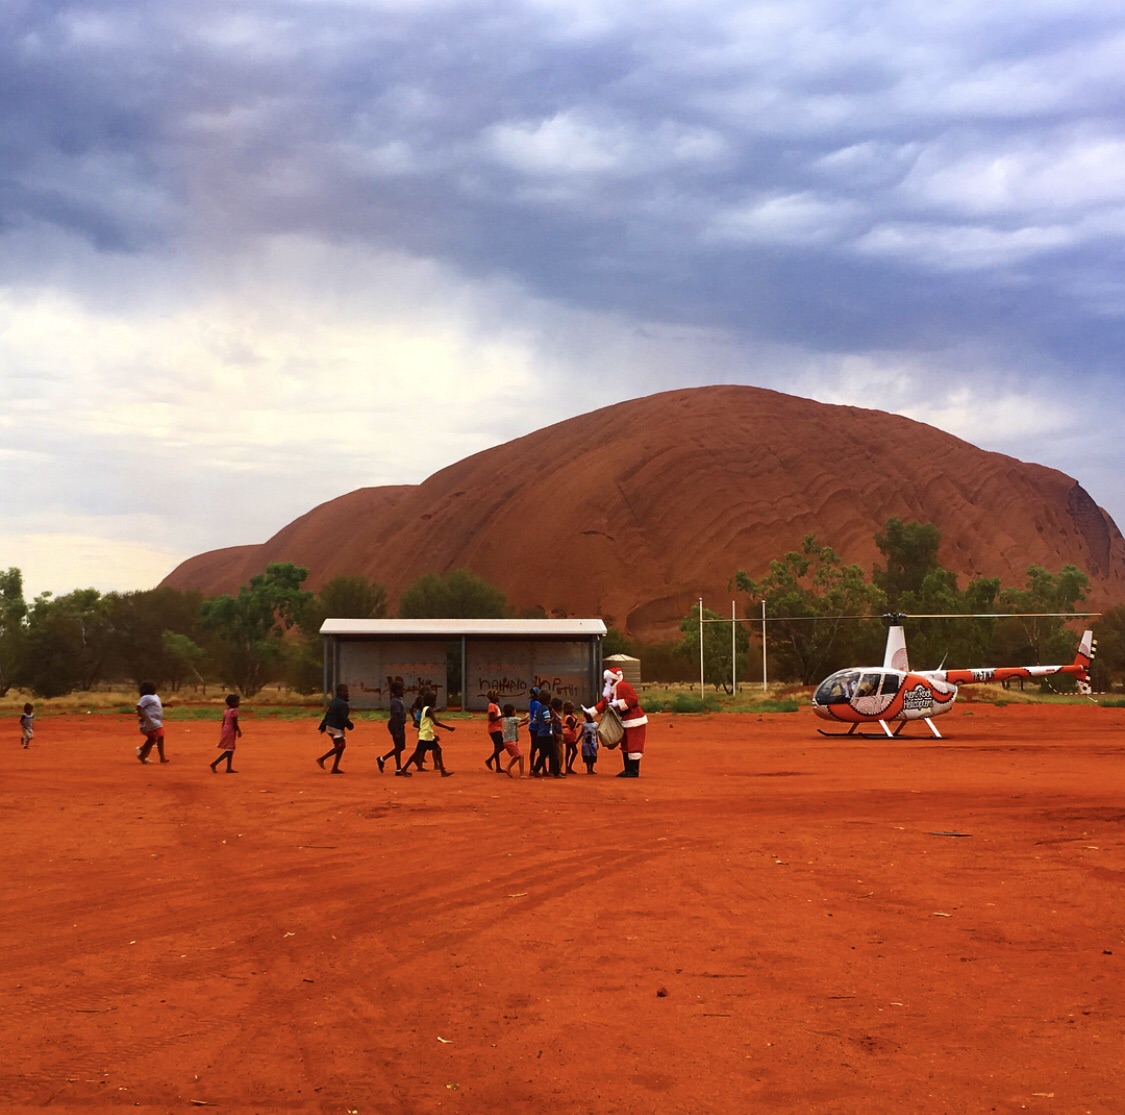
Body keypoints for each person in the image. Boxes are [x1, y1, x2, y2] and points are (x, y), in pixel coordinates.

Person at [586, 666, 648, 778]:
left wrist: (618, 704)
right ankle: (628, 769)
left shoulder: (624, 686)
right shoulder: (611, 689)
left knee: (633, 744)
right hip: (622, 720)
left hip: (634, 719)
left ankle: (633, 770)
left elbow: (633, 699)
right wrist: (592, 712)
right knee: (625, 744)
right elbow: (604, 703)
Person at [400, 689, 455, 776]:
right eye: (434, 700)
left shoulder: (425, 709)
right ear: (430, 701)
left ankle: (442, 771)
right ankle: (442, 771)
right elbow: (436, 722)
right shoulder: (428, 709)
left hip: (426, 735)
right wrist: (448, 728)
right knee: (429, 751)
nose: (435, 702)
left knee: (432, 751)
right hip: (426, 736)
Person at [317, 683, 354, 774]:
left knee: (340, 746)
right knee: (341, 746)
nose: (347, 693)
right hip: (335, 727)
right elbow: (343, 718)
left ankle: (335, 768)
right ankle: (322, 759)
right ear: (340, 692)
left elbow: (328, 714)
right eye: (346, 691)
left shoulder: (335, 701)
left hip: (330, 726)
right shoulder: (342, 704)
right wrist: (350, 725)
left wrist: (323, 725)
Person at [377, 680, 411, 776]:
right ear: (396, 690)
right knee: (400, 747)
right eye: (401, 689)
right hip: (396, 725)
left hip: (398, 725)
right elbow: (395, 716)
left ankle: (396, 767)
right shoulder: (396, 702)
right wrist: (396, 730)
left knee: (399, 747)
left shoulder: (397, 700)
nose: (403, 691)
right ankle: (385, 760)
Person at [136, 681, 168, 764]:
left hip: (156, 721)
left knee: (155, 738)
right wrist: (143, 716)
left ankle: (143, 754)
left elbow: (156, 704)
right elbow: (139, 707)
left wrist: (165, 705)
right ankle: (160, 757)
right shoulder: (146, 697)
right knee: (157, 736)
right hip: (148, 721)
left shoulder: (155, 696)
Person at [210, 694, 242, 773]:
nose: (238, 703)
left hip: (226, 729)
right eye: (237, 702)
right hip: (231, 730)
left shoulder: (226, 710)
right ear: (232, 703)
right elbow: (235, 723)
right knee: (230, 750)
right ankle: (215, 763)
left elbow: (224, 722)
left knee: (230, 749)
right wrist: (239, 731)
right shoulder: (234, 711)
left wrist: (223, 730)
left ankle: (228, 768)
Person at [530, 688, 554, 777]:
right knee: (547, 751)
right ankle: (542, 770)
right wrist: (553, 719)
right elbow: (547, 720)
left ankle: (534, 769)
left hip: (537, 730)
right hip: (543, 732)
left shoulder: (533, 703)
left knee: (539, 750)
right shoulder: (542, 706)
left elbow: (535, 720)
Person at [500, 703, 527, 778]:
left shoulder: (505, 720)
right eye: (515, 710)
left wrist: (524, 724)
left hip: (507, 742)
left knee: (517, 756)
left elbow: (515, 726)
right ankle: (521, 774)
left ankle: (508, 768)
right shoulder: (513, 719)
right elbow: (523, 718)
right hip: (511, 742)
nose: (516, 712)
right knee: (521, 756)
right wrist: (528, 714)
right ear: (512, 712)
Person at [484, 689, 506, 772]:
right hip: (494, 729)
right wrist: (503, 716)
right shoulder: (491, 706)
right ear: (493, 697)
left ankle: (498, 767)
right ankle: (489, 760)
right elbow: (492, 718)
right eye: (497, 696)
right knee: (502, 746)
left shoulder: (494, 705)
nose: (498, 697)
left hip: (496, 728)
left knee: (497, 747)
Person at [526, 686, 542, 773]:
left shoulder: (532, 702)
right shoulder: (537, 704)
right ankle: (534, 768)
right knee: (539, 749)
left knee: (534, 748)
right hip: (537, 728)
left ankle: (532, 767)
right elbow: (537, 716)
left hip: (533, 727)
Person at [579, 708, 599, 774]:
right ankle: (588, 769)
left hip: (593, 742)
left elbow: (596, 734)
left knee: (593, 756)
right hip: (585, 743)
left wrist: (597, 742)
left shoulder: (596, 724)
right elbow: (582, 733)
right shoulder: (584, 724)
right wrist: (577, 740)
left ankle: (591, 769)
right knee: (587, 756)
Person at [562, 701, 579, 774]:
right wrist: (576, 721)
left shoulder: (565, 716)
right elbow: (571, 727)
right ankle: (569, 767)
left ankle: (567, 767)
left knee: (568, 751)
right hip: (570, 735)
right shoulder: (570, 718)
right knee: (575, 751)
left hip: (566, 734)